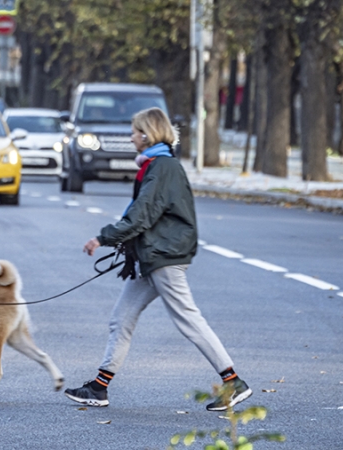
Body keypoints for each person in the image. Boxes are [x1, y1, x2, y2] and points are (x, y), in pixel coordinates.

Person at [63, 107, 252, 411]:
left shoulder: (162, 167)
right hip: (152, 256)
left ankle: (232, 381)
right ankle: (99, 387)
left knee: (188, 319)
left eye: (134, 131)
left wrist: (104, 237)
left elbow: (142, 214)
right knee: (121, 319)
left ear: (147, 134)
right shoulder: (156, 165)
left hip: (165, 256)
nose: (131, 136)